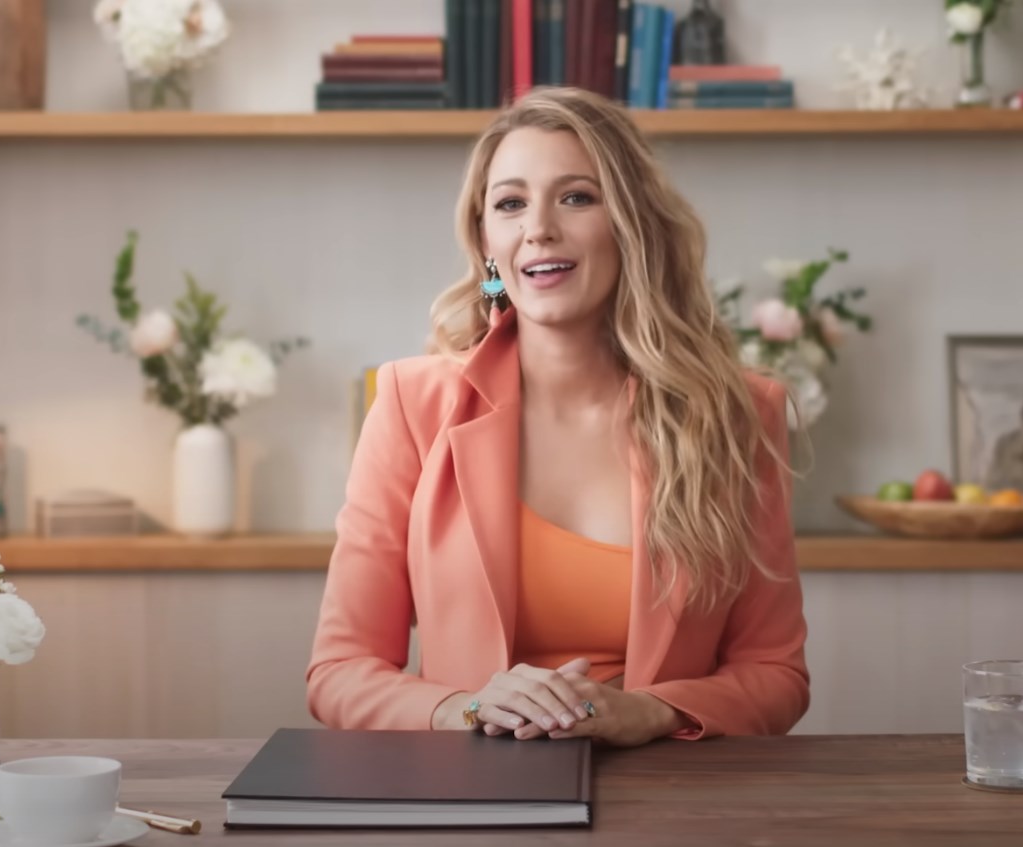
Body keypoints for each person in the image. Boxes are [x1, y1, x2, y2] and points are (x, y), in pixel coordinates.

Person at [307, 87, 808, 747]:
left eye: (576, 197)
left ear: (632, 224)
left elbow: (775, 674)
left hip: (668, 790)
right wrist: (467, 706)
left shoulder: (737, 413)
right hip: (470, 791)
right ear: (487, 240)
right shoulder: (410, 403)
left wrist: (649, 710)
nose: (537, 228)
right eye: (510, 203)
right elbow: (339, 671)